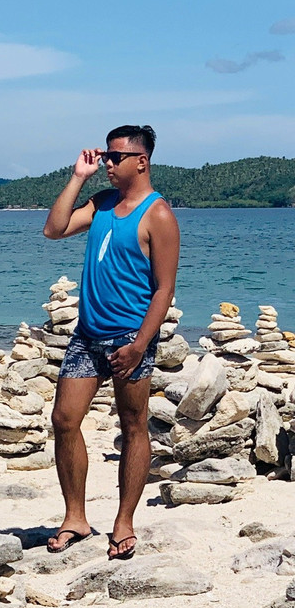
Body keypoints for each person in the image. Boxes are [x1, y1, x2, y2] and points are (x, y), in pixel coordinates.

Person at [41, 125, 180, 560]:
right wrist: (78, 177)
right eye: (105, 156)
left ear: (141, 161)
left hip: (129, 338)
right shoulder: (101, 203)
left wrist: (141, 344)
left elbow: (163, 290)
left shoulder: (158, 215)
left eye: (115, 158)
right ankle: (76, 519)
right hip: (88, 334)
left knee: (134, 424)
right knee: (64, 419)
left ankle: (124, 522)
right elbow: (54, 229)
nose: (107, 164)